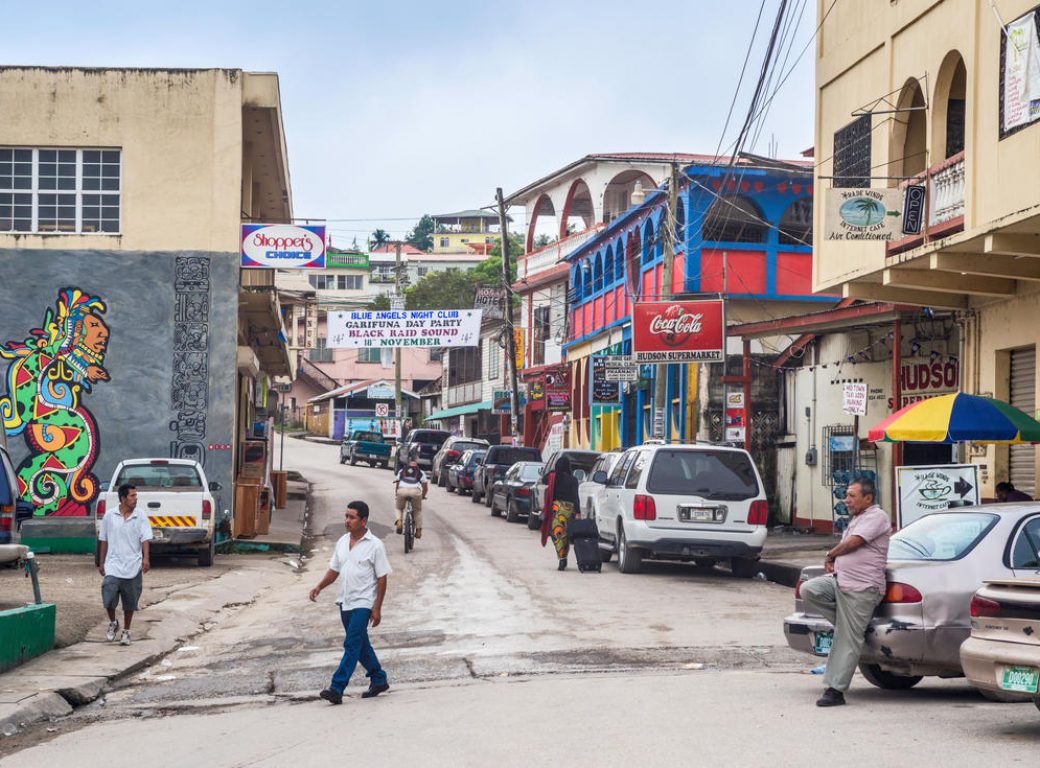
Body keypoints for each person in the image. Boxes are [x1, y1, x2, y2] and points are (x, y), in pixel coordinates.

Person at [801, 478, 891, 707]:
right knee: (810, 589)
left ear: (868, 498)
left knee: (846, 638)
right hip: (840, 582)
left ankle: (835, 690)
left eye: (851, 495)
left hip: (862, 588)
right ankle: (849, 625)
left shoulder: (876, 516)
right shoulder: (857, 518)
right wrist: (835, 562)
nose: (846, 500)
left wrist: (831, 555)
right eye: (847, 495)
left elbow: (853, 543)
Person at [310, 500, 391, 704]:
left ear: (363, 520)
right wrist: (319, 586)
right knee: (360, 644)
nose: (347, 521)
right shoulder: (342, 542)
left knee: (352, 644)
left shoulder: (375, 545)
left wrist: (377, 608)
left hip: (363, 603)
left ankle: (337, 687)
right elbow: (334, 570)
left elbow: (382, 577)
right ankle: (378, 678)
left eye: (352, 517)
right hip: (344, 602)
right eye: (346, 516)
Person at [97, 483, 152, 646]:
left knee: (130, 601)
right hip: (113, 564)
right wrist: (101, 562)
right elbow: (103, 539)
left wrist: (146, 558)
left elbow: (145, 538)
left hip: (133, 565)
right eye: (132, 496)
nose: (135, 499)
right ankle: (113, 622)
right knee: (108, 593)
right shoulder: (109, 516)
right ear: (123, 498)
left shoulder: (140, 516)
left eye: (136, 496)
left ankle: (126, 631)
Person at [541, 456, 580, 571]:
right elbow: (575, 497)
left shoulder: (553, 477)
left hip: (557, 510)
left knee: (557, 534)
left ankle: (562, 558)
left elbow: (543, 479)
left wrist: (552, 471)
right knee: (566, 535)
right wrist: (578, 512)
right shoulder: (573, 479)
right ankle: (564, 556)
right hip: (569, 510)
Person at [394, 456, 428, 539]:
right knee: (417, 510)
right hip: (415, 492)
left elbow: (397, 484)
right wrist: (423, 496)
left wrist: (397, 493)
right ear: (416, 466)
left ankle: (399, 521)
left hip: (402, 491)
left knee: (399, 508)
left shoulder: (402, 471)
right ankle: (418, 530)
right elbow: (425, 486)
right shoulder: (421, 472)